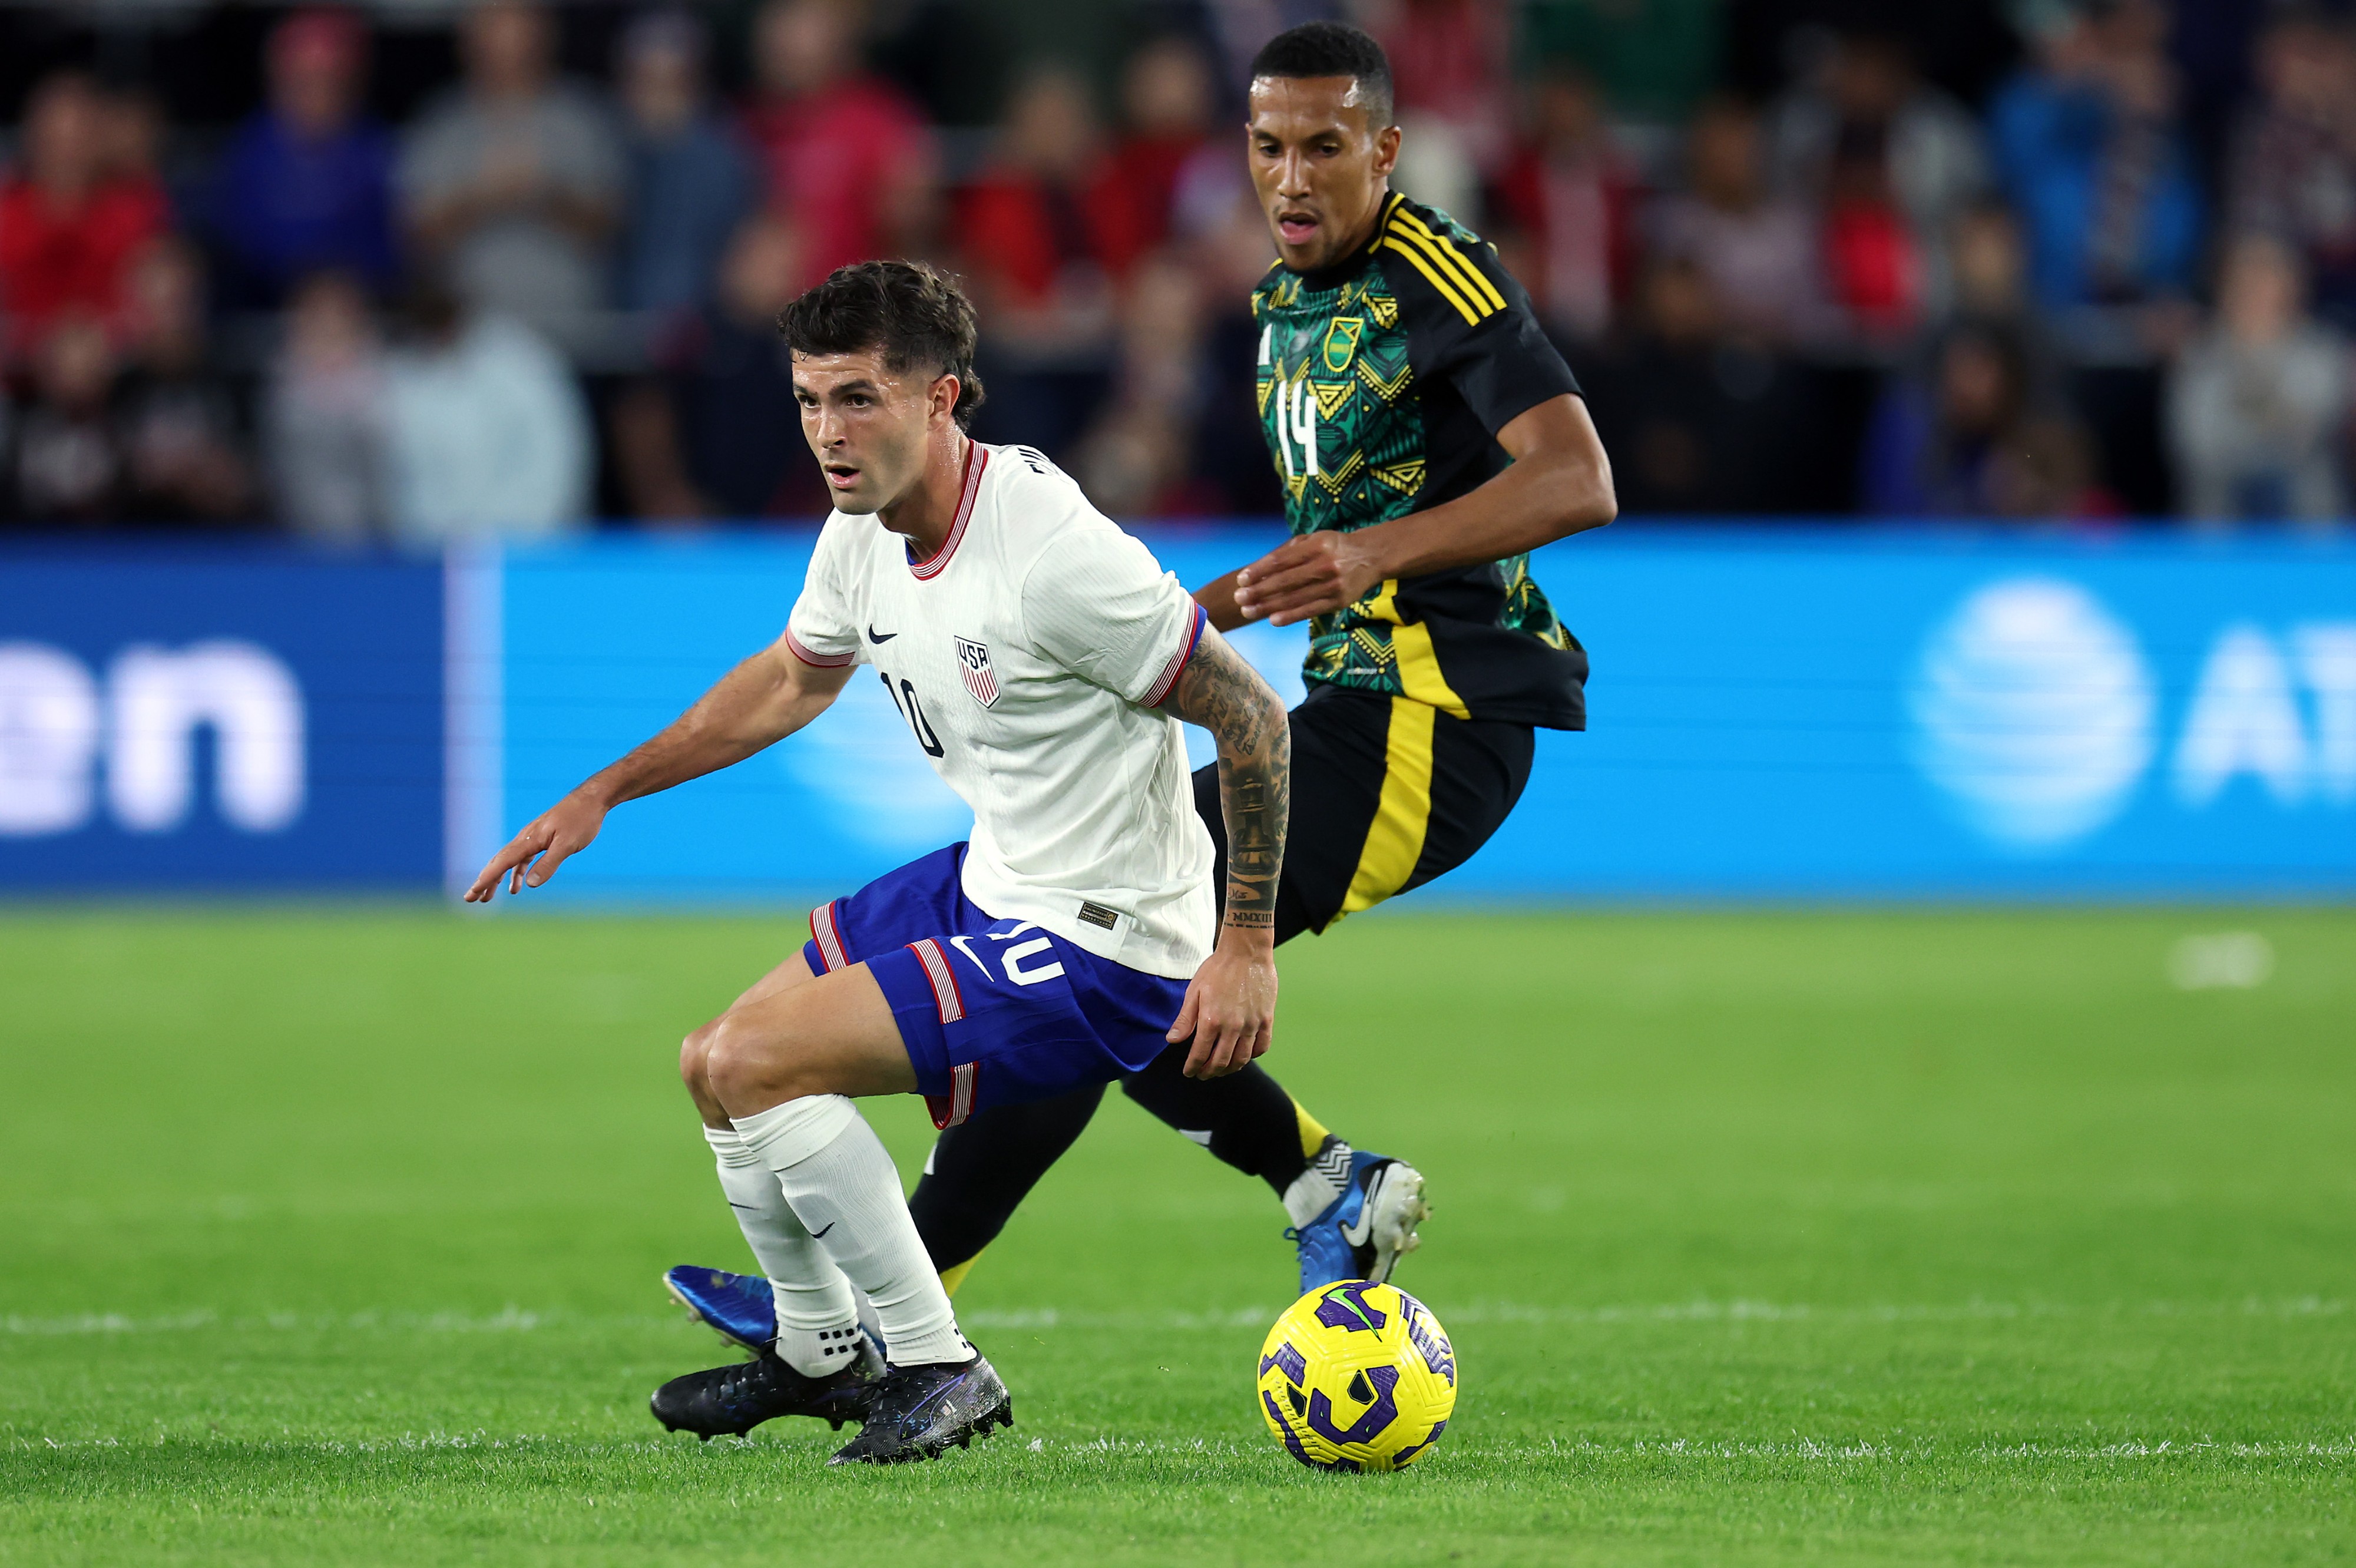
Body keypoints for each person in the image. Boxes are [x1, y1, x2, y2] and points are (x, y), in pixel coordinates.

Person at [664, 21, 1616, 1366]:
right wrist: (1215, 602)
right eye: (1269, 147)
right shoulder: (1287, 297)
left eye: (1325, 148)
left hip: (1441, 722)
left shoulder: (1436, 277)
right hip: (1360, 690)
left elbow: (1579, 479)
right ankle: (1312, 1185)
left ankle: (908, 1295)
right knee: (1100, 945)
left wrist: (1373, 555)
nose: (1290, 177)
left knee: (1103, 954)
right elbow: (1340, 532)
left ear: (1386, 152)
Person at [466, 259, 1292, 1464]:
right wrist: (606, 789)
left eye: (855, 398)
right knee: (711, 1060)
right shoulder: (858, 530)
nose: (825, 432)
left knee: (759, 1063)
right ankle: (817, 1349)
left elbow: (1253, 716)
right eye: (808, 399)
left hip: (1101, 936)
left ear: (941, 399)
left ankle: (934, 1360)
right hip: (997, 877)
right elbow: (793, 678)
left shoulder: (1052, 553)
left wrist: (1246, 944)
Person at [399, 0, 624, 346]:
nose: (508, 40)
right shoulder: (441, 123)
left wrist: (544, 191)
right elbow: (416, 237)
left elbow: (611, 226)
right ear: (469, 38)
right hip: (467, 342)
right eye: (493, 24)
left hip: (571, 335)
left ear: (545, 33)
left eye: (520, 21)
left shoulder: (581, 116)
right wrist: (482, 196)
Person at [207, 8, 400, 308]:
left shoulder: (374, 148)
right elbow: (242, 245)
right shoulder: (249, 151)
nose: (319, 95)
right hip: (267, 311)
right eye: (304, 82)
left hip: (361, 310)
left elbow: (390, 246)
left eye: (332, 81)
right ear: (278, 82)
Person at [739, 0, 934, 295]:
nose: (783, 43)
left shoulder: (880, 120)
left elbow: (914, 231)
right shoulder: (741, 124)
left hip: (848, 313)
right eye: (775, 31)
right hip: (756, 318)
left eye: (800, 28)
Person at [380, 281, 591, 544]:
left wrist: (522, 535)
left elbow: (557, 457)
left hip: (526, 545)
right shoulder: (399, 367)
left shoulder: (523, 364)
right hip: (421, 548)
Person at [2168, 232, 2350, 527]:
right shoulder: (2198, 357)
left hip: (2307, 527)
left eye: (2267, 278)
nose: (2256, 291)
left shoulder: (2322, 354)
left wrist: (2251, 384)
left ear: (2292, 288)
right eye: (2246, 280)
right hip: (2218, 527)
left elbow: (2304, 437)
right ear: (2225, 288)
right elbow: (2197, 447)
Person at [0, 72, 168, 360]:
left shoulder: (132, 208)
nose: (67, 154)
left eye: (79, 139)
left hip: (115, 366)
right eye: (55, 141)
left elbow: (153, 306)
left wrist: (96, 339)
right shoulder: (6, 211)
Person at [613, 9, 753, 316]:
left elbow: (737, 245)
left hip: (702, 326)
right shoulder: (611, 146)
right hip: (616, 321)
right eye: (646, 81)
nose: (658, 98)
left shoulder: (723, 154)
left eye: (671, 82)